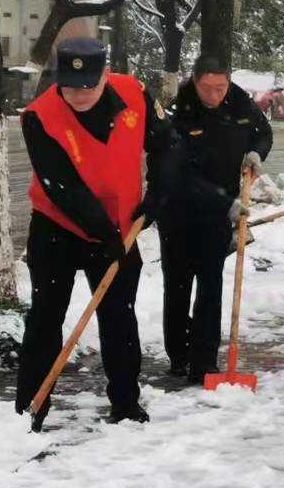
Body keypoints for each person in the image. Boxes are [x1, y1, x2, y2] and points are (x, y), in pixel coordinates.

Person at [16, 37, 181, 424]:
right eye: (70, 87)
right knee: (45, 318)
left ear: (106, 75)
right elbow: (63, 187)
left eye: (88, 86)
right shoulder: (40, 116)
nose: (78, 95)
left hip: (120, 228)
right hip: (58, 227)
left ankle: (125, 402)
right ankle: (30, 407)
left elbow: (168, 144)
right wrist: (103, 234)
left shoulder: (134, 93)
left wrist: (157, 195)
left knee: (119, 316)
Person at [162, 54, 273, 382]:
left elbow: (263, 132)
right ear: (195, 82)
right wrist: (224, 201)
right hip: (179, 212)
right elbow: (181, 173)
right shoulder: (179, 112)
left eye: (220, 87)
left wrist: (256, 152)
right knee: (178, 286)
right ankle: (179, 355)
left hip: (219, 214)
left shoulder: (240, 103)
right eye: (207, 88)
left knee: (211, 285)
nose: (214, 95)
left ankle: (205, 361)